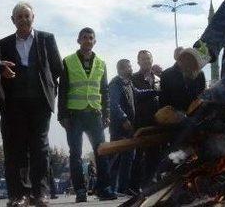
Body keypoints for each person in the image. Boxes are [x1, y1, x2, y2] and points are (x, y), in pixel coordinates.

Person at [0, 2, 62, 207]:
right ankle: (19, 196)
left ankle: (41, 194)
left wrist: (52, 94)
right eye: (19, 17)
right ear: (13, 20)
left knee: (40, 149)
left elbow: (57, 69)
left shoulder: (46, 39)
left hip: (40, 103)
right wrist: (0, 67)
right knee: (16, 150)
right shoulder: (3, 44)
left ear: (33, 17)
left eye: (27, 16)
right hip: (13, 105)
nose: (23, 19)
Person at [58, 28, 117, 203]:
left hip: (95, 114)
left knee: (101, 152)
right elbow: (63, 90)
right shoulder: (68, 61)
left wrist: (107, 114)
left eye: (91, 38)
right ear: (78, 40)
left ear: (95, 41)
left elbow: (104, 91)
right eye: (84, 37)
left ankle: (104, 188)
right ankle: (80, 191)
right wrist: (62, 116)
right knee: (75, 154)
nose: (88, 40)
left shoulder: (101, 63)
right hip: (74, 115)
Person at [110, 59, 157, 195]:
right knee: (116, 157)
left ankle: (123, 188)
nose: (131, 69)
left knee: (129, 158)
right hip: (120, 127)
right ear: (121, 69)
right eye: (128, 67)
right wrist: (123, 118)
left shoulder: (128, 83)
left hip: (130, 127)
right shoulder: (116, 83)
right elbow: (114, 104)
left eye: (130, 67)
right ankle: (111, 188)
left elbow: (138, 93)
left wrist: (154, 91)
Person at [129, 50, 161, 191]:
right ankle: (133, 186)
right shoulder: (133, 78)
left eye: (148, 59)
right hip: (140, 121)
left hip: (157, 121)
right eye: (142, 59)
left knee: (154, 154)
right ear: (138, 62)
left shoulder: (159, 79)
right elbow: (135, 97)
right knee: (138, 154)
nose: (146, 61)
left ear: (152, 60)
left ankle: (150, 184)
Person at [159, 47, 207, 112]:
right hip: (175, 116)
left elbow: (203, 93)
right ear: (175, 57)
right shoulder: (166, 74)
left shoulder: (199, 73)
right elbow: (164, 98)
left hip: (196, 114)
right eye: (179, 55)